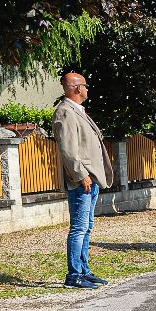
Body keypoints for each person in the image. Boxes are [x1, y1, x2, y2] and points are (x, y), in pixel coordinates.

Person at [50, 70, 114, 289]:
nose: (87, 89)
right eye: (85, 86)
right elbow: (68, 150)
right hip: (81, 180)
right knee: (78, 227)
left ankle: (84, 270)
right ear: (77, 88)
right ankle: (74, 275)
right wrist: (80, 175)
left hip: (91, 178)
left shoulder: (78, 111)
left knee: (87, 226)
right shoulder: (65, 112)